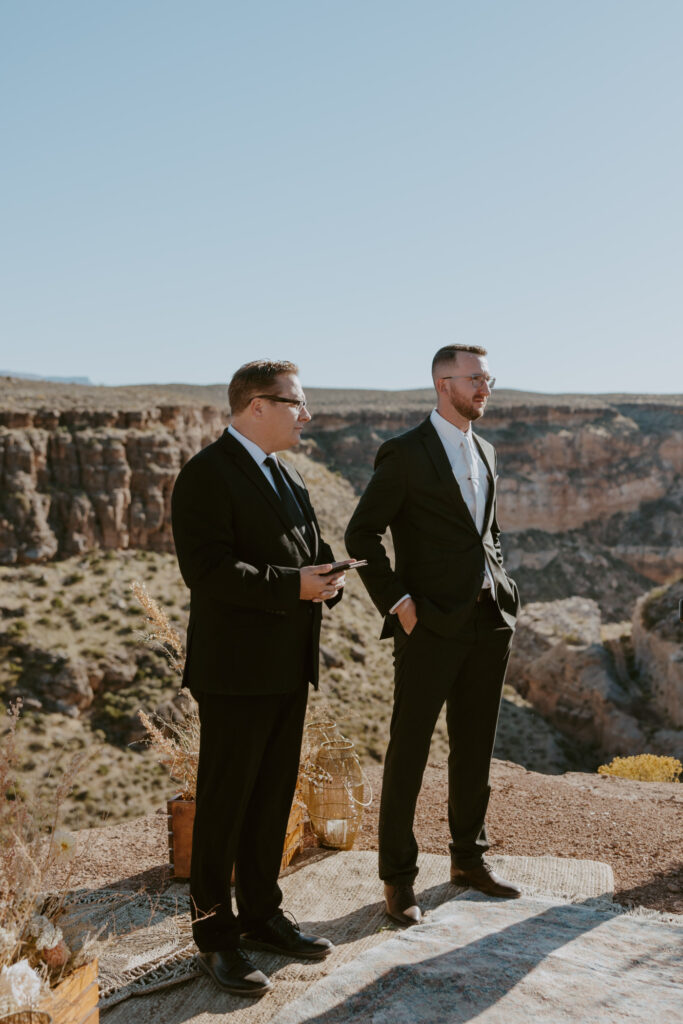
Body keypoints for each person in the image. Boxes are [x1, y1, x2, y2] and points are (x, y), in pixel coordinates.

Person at [171, 359, 346, 996]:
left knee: (272, 797)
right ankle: (216, 939)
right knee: (223, 805)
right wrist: (291, 585)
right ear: (255, 407)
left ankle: (263, 915)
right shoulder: (205, 475)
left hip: (286, 668)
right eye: (295, 403)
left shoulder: (288, 477)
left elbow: (306, 555)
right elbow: (208, 571)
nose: (306, 415)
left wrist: (327, 581)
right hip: (235, 672)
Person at [345, 344, 522, 926]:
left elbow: (486, 530)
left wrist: (501, 584)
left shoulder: (487, 449)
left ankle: (469, 860)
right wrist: (399, 604)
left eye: (488, 377)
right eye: (476, 378)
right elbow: (362, 536)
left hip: (488, 619)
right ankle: (398, 879)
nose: (486, 388)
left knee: (474, 746)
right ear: (443, 384)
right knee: (410, 751)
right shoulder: (404, 453)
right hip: (428, 626)